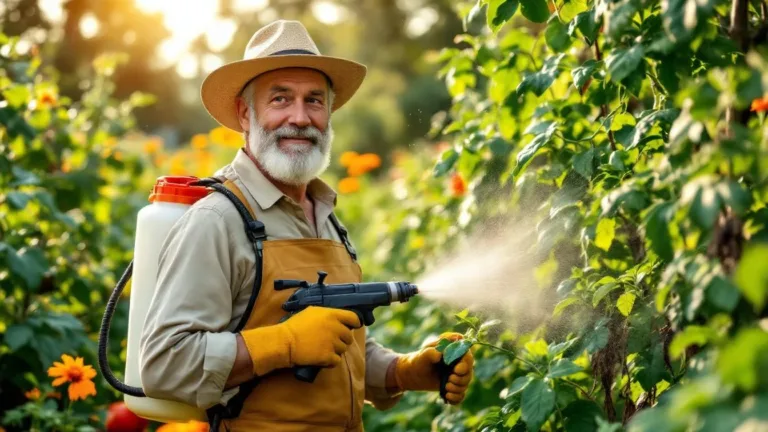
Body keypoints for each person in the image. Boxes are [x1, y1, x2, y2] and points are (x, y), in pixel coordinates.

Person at [139, 20, 475, 432]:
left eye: (314, 101)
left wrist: (403, 372)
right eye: (281, 99)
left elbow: (335, 349)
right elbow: (164, 365)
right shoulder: (217, 221)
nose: (300, 117)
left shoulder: (325, 214)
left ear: (329, 112)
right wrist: (283, 343)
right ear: (246, 113)